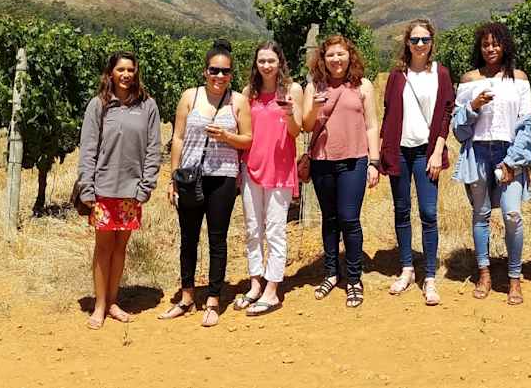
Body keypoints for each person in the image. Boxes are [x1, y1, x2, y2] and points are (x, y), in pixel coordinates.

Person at [160, 40, 252, 327]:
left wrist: (226, 137)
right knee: (188, 238)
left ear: (231, 74)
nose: (220, 76)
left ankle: (213, 299)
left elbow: (248, 140)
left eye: (225, 71)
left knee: (217, 239)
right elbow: (178, 138)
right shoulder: (191, 96)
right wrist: (173, 177)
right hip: (190, 176)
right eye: (215, 70)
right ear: (205, 71)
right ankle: (186, 297)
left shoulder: (238, 101)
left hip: (223, 177)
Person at [75, 51, 162, 330]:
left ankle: (113, 302)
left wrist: (146, 185)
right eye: (120, 69)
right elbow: (88, 148)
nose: (126, 75)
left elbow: (153, 149)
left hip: (131, 191)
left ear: (136, 73)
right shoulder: (98, 105)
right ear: (110, 73)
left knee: (120, 248)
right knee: (103, 248)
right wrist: (87, 187)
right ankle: (100, 305)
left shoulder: (148, 106)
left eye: (130, 70)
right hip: (102, 189)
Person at [450, 21, 531, 304]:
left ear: (505, 46)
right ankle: (484, 273)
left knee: (512, 214)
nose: (490, 49)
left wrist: (513, 160)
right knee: (481, 213)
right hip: (478, 152)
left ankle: (514, 277)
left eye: (496, 43)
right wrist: (473, 107)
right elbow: (458, 130)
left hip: (509, 151)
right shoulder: (469, 80)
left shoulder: (519, 79)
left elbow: (526, 125)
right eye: (485, 44)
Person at [378, 19, 455, 305]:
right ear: (407, 43)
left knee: (428, 212)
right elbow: (388, 110)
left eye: (425, 40)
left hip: (427, 151)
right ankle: (407, 268)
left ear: (432, 42)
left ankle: (430, 276)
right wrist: (382, 151)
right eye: (415, 40)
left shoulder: (440, 73)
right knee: (401, 210)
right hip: (399, 150)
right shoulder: (397, 75)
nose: (420, 44)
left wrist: (438, 151)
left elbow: (446, 112)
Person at [303, 34, 381, 307]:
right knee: (330, 219)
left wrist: (374, 162)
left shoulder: (363, 85)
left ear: (350, 56)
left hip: (354, 161)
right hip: (322, 160)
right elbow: (306, 125)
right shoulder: (314, 86)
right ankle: (331, 272)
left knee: (349, 219)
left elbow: (372, 125)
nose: (336, 59)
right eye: (330, 55)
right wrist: (314, 106)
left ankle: (354, 278)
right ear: (322, 59)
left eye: (341, 54)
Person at [235, 41, 301, 316]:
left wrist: (289, 114)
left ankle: (272, 290)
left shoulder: (292, 90)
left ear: (280, 62)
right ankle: (255, 284)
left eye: (271, 60)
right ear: (256, 63)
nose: (266, 65)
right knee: (253, 229)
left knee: (275, 230)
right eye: (261, 60)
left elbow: (296, 131)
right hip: (251, 166)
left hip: (280, 169)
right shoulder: (248, 93)